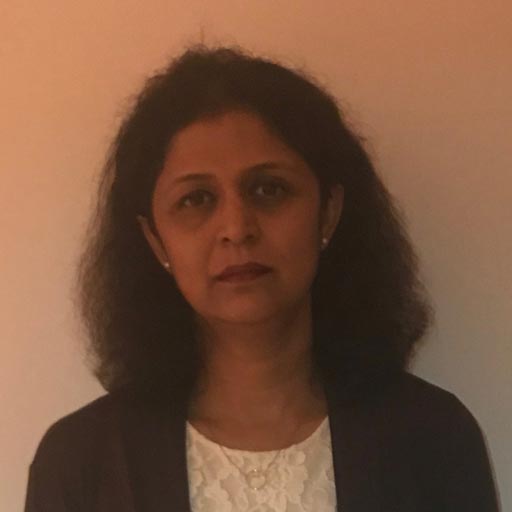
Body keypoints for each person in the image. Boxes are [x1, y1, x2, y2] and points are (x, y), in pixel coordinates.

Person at [25, 46, 500, 512]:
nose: (237, 228)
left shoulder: (433, 440)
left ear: (328, 213)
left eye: (268, 189)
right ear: (156, 240)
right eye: (196, 199)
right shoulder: (81, 463)